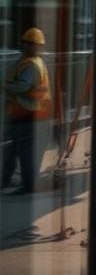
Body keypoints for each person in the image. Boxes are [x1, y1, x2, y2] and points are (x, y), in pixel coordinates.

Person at [2, 28, 52, 194]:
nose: (27, 46)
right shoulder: (34, 62)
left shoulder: (31, 65)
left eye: (30, 44)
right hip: (29, 113)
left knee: (24, 152)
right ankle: (6, 179)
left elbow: (22, 87)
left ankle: (27, 185)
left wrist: (4, 86)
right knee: (15, 150)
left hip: (28, 114)